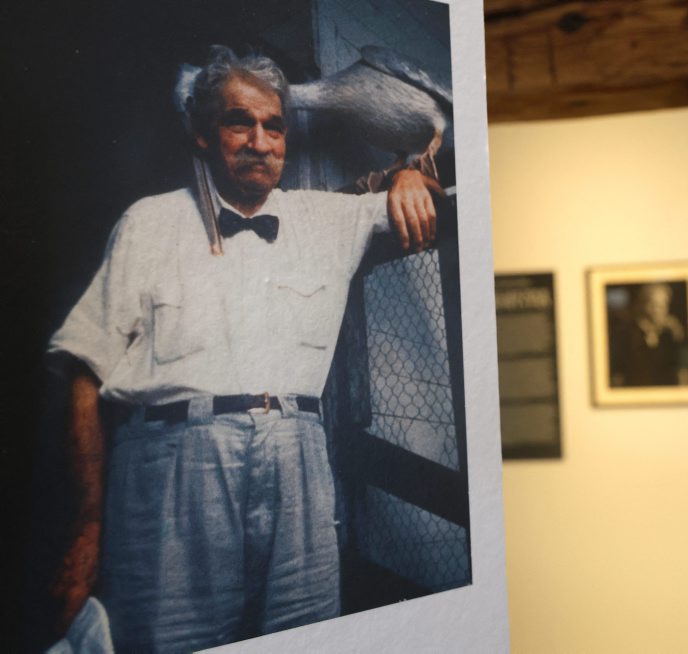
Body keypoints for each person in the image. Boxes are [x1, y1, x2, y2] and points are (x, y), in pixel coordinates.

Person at [48, 46, 442, 652]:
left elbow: (436, 196)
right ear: (204, 134)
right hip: (172, 476)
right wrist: (87, 527)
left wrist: (409, 173)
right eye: (240, 122)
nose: (260, 141)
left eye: (274, 126)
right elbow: (84, 367)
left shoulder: (327, 219)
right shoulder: (148, 223)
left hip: (298, 469)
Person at [608, 283, 688, 388]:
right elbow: (617, 375)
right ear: (642, 305)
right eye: (654, 305)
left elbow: (679, 370)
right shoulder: (626, 334)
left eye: (664, 305)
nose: (660, 310)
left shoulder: (669, 334)